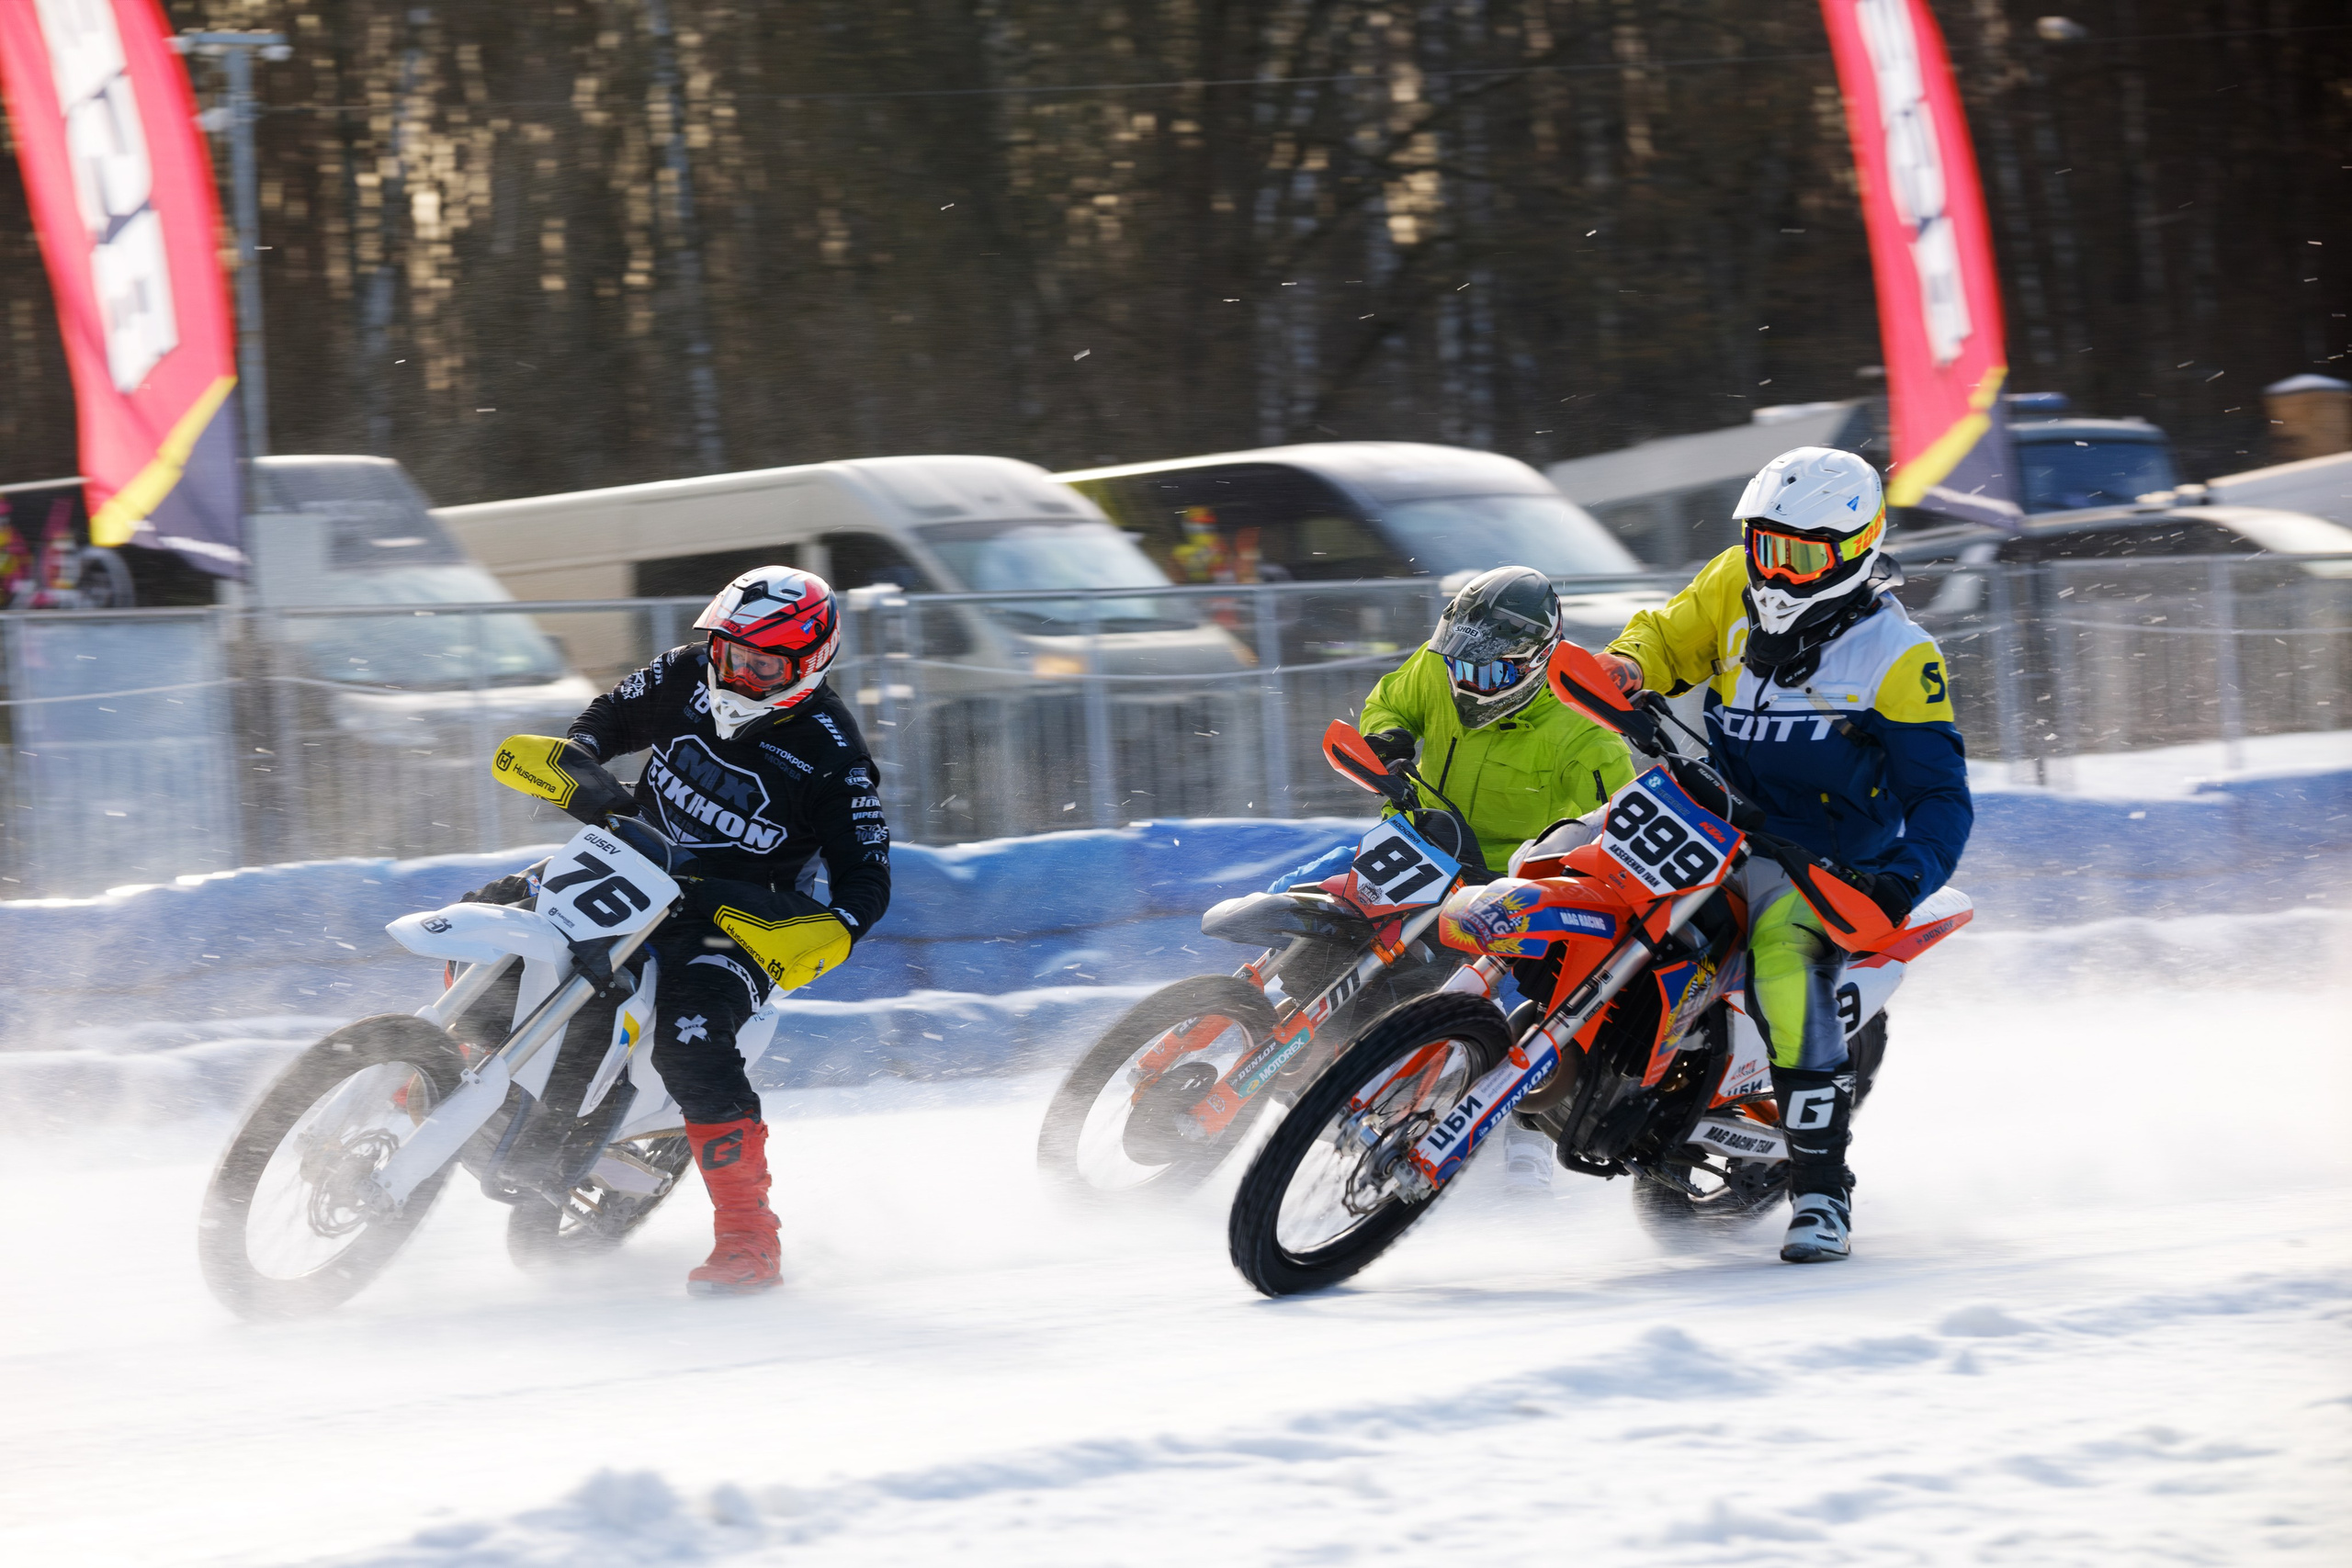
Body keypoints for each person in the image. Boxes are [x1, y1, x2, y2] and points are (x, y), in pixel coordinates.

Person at [1595, 446, 1972, 1263]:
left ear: (1854, 548)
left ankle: (1823, 1191)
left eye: (1800, 552)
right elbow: (1667, 635)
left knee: (1784, 967)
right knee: (1571, 855)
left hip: (1823, 860)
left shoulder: (1899, 657)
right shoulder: (1734, 583)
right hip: (1706, 814)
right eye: (1766, 544)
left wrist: (1901, 880)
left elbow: (1941, 798)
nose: (1776, 569)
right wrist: (1628, 663)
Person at [557, 566, 891, 1294]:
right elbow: (609, 714)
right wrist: (582, 754)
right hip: (629, 867)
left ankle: (750, 1236)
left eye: (762, 663)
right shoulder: (686, 670)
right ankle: (440, 1065)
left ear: (810, 664)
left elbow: (867, 875)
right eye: (730, 651)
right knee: (502, 907)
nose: (738, 671)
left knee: (691, 1041)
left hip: (734, 924)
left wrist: (829, 928)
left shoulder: (833, 752)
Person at [1268, 565, 1635, 1191]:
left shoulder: (1587, 735)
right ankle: (1261, 1029)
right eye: (1460, 663)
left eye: (1487, 672)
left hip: (1506, 885)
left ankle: (1524, 1139)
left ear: (1535, 662)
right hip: (1414, 842)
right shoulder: (1444, 665)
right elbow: (1391, 700)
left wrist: (1543, 877)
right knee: (1298, 905)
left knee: (1523, 1005)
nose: (1467, 680)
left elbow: (1609, 838)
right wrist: (1387, 741)